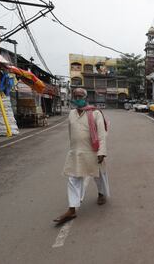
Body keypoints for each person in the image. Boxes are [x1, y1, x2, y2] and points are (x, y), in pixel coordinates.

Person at [54, 88, 110, 224]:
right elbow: (70, 132)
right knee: (73, 179)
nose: (77, 98)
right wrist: (72, 148)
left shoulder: (95, 113)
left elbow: (102, 134)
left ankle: (101, 194)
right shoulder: (72, 114)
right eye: (75, 96)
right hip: (77, 151)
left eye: (80, 96)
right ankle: (72, 209)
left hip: (93, 151)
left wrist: (101, 152)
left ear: (85, 98)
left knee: (99, 175)